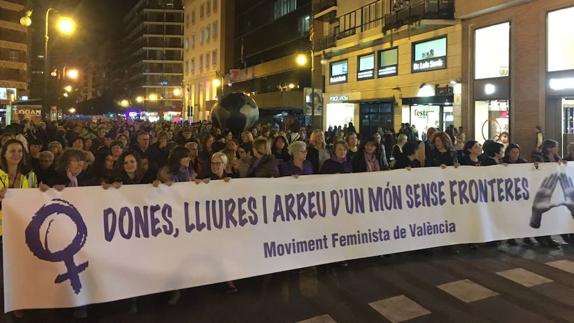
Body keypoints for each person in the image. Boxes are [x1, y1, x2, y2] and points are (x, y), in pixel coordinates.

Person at [0, 140, 34, 236]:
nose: (17, 154)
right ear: (4, 154)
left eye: (20, 151)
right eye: (12, 151)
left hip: (15, 230)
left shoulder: (24, 180)